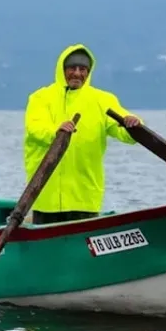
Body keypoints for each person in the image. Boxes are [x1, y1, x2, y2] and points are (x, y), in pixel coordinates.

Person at [23, 43, 142, 225]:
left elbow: (122, 131)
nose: (77, 73)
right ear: (62, 69)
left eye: (83, 69)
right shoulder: (40, 98)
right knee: (47, 241)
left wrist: (133, 125)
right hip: (45, 193)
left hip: (84, 195)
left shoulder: (103, 100)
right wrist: (56, 132)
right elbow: (35, 129)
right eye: (72, 68)